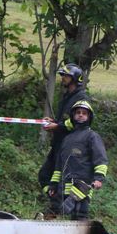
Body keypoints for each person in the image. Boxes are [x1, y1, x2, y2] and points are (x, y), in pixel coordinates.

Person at [38, 63, 90, 214]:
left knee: (59, 177)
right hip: (59, 144)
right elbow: (65, 119)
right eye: (62, 75)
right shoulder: (67, 96)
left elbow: (77, 121)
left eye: (66, 76)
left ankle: (55, 209)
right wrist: (55, 121)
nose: (63, 78)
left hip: (69, 146)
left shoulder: (81, 98)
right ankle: (55, 202)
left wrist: (57, 126)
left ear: (74, 79)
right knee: (44, 175)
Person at [49, 100, 108, 220]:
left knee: (79, 219)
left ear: (89, 117)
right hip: (64, 186)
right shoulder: (67, 139)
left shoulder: (92, 136)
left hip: (82, 187)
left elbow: (101, 159)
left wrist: (99, 178)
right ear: (73, 115)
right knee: (58, 218)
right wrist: (53, 184)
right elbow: (59, 165)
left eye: (84, 113)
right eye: (78, 112)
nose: (81, 115)